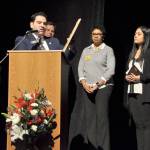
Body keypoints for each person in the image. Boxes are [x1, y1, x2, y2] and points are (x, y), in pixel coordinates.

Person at [68, 26, 115, 150]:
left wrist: (98, 84)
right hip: (87, 87)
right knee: (90, 120)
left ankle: (104, 148)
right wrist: (83, 83)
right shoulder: (86, 50)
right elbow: (80, 68)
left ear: (103, 36)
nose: (95, 36)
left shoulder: (108, 50)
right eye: (94, 34)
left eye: (98, 34)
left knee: (101, 119)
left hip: (103, 87)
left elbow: (111, 69)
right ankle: (93, 147)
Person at [125, 26, 150, 150]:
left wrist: (139, 78)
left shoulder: (148, 52)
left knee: (146, 127)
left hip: (144, 95)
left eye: (139, 34)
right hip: (132, 94)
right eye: (135, 33)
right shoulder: (133, 53)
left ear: (146, 36)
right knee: (138, 126)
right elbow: (128, 71)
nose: (135, 35)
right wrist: (127, 77)